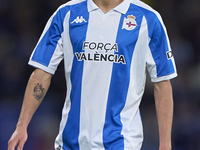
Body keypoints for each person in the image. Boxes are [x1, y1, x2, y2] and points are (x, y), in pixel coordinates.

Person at [8, 0, 177, 149]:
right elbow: (42, 73)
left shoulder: (148, 18)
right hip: (70, 142)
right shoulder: (66, 14)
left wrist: (165, 144)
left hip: (122, 141)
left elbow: (162, 84)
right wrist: (22, 125)